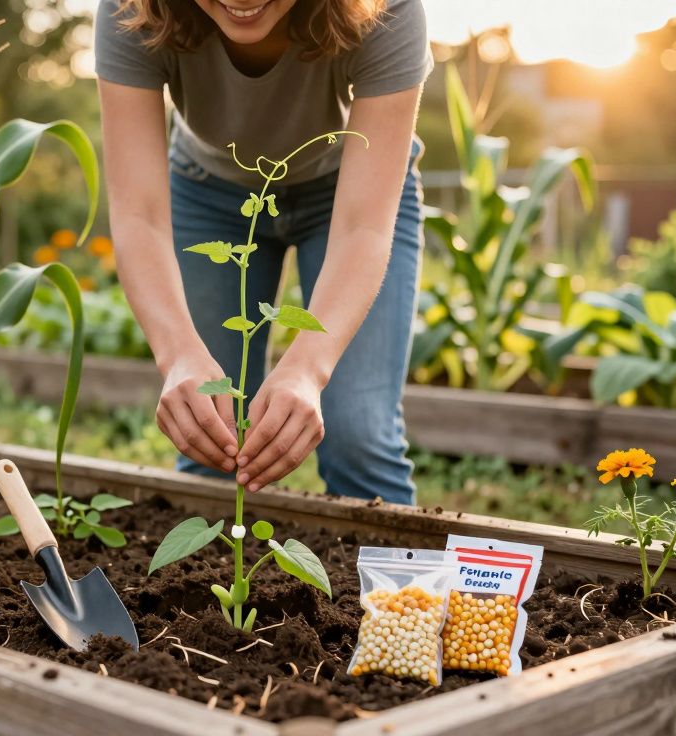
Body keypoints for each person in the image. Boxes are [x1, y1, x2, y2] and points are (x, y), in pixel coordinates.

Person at [94, 0, 429, 503]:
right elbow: (138, 215)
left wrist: (307, 369)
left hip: (351, 195)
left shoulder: (387, 9)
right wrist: (178, 355)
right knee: (210, 425)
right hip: (207, 194)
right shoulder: (132, 8)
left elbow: (362, 226)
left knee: (359, 436)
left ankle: (386, 558)